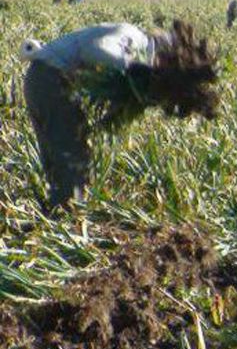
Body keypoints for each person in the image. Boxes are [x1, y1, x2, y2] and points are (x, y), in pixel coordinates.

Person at [19, 21, 220, 209]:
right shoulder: (133, 37)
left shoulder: (137, 47)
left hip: (44, 80)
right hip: (52, 80)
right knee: (72, 157)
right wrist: (132, 67)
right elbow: (96, 49)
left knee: (61, 157)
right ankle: (66, 218)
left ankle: (59, 213)